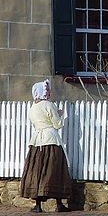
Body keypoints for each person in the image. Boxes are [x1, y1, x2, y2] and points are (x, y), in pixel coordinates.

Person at [20, 79, 72, 213]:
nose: (49, 92)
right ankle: (59, 204)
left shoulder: (32, 108)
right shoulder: (49, 105)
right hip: (51, 140)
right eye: (47, 90)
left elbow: (35, 123)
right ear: (41, 92)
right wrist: (60, 115)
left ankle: (38, 205)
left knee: (37, 170)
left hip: (37, 142)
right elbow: (57, 124)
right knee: (55, 170)